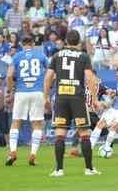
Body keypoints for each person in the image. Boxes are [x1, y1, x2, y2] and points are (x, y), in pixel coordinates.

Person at [44, 30, 100, 177]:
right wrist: (94, 99)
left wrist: (45, 97)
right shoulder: (83, 56)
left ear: (66, 41)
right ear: (79, 42)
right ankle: (89, 169)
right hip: (77, 98)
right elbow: (90, 78)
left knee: (60, 135)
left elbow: (48, 77)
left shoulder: (56, 56)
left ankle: (59, 170)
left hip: (61, 98)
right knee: (84, 134)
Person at [5, 35, 48, 166]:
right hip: (37, 91)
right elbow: (52, 73)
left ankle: (12, 152)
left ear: (22, 44)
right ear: (33, 44)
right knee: (36, 124)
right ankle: (33, 154)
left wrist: (10, 90)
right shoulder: (41, 55)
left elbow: (9, 75)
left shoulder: (17, 56)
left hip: (21, 92)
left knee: (16, 122)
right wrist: (45, 88)